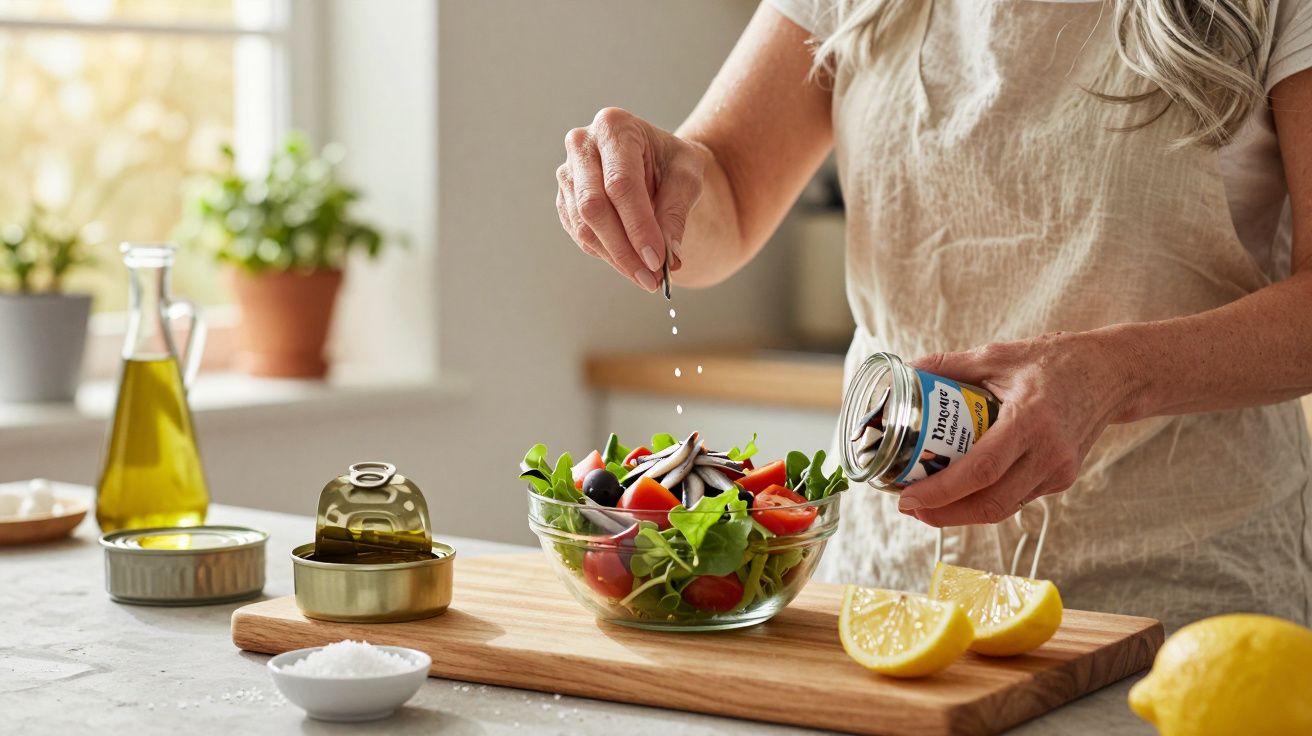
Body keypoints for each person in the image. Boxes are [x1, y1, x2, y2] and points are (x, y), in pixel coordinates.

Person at [553, 0, 1312, 629]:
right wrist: (666, 178)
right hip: (891, 584)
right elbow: (728, 192)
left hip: (1178, 599)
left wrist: (1116, 375)